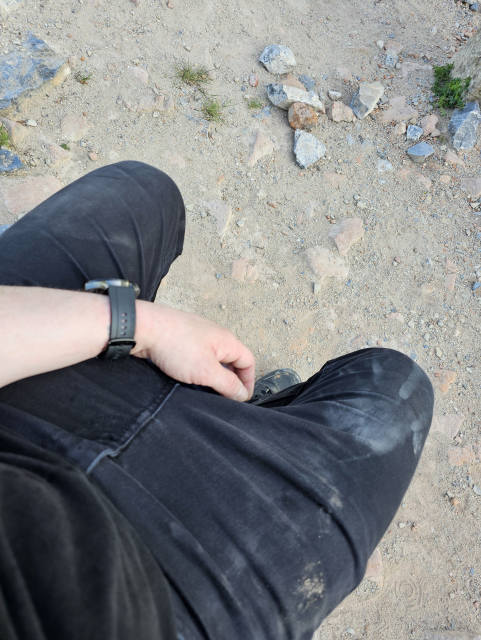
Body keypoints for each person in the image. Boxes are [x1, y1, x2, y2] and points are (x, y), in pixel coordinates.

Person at [0, 162, 434, 640]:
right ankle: (247, 415)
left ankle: (229, 408)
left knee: (142, 193)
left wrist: (143, 326)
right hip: (174, 604)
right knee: (394, 388)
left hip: (16, 412)